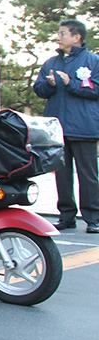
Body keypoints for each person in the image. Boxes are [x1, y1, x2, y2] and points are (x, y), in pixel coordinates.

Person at [33, 19, 99, 233]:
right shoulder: (51, 62)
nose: (58, 37)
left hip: (84, 126)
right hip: (57, 128)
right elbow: (39, 89)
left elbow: (95, 89)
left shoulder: (93, 61)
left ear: (76, 37)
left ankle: (94, 218)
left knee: (88, 174)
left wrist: (71, 83)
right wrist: (49, 84)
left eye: (62, 33)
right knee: (61, 173)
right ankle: (66, 215)